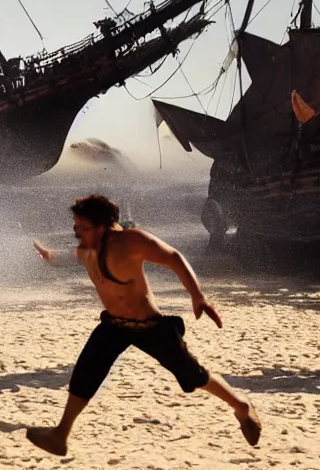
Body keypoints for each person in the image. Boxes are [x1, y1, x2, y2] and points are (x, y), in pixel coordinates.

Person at [26, 194, 261, 456]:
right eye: (75, 227)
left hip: (149, 327)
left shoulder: (130, 242)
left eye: (83, 228)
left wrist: (197, 296)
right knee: (84, 374)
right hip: (114, 326)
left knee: (193, 374)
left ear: (102, 226)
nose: (78, 233)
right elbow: (72, 257)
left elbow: (173, 257)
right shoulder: (87, 249)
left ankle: (241, 406)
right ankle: (60, 435)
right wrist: (50, 256)